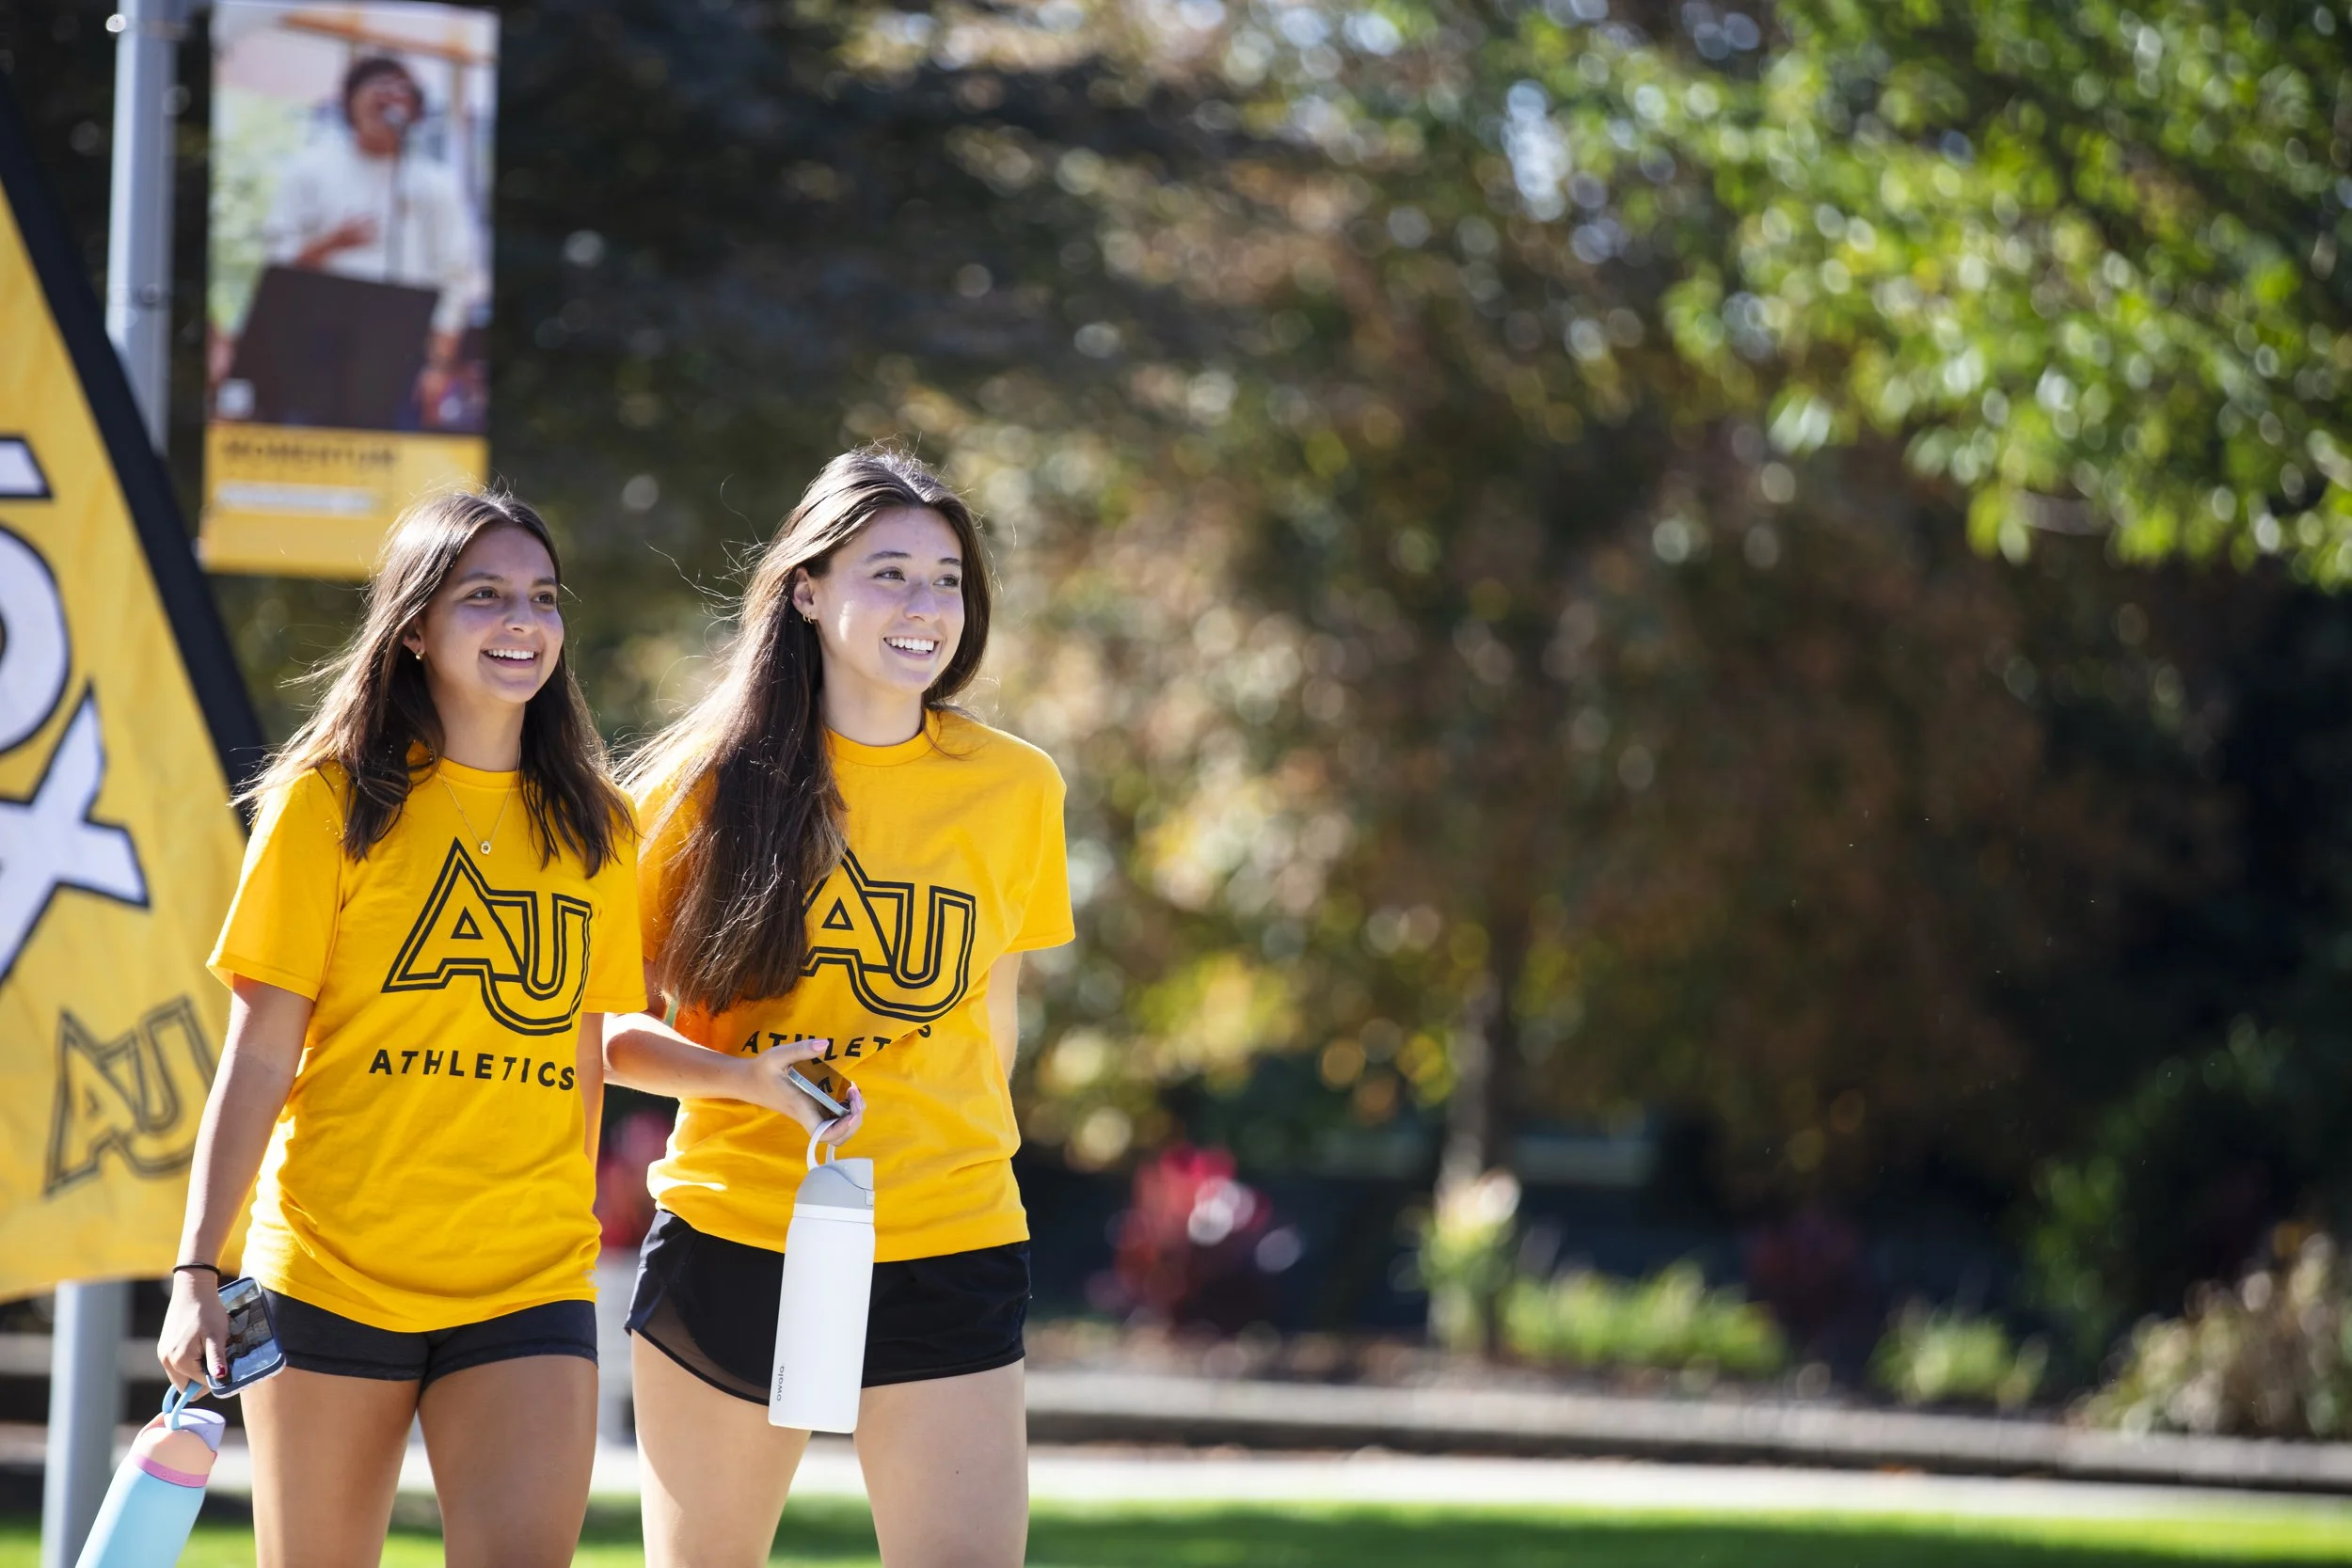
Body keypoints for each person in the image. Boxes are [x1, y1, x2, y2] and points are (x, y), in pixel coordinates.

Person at [157, 492, 644, 1568]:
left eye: (541, 598)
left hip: (528, 1274)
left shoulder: (601, 827)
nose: (522, 619)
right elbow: (258, 1054)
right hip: (333, 1270)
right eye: (485, 596)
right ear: (415, 626)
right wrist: (199, 1264)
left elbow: (584, 1059)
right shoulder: (325, 801)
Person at [605, 448, 1073, 1568]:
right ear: (807, 591)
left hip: (946, 1234)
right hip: (734, 1230)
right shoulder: (690, 790)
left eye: (948, 577)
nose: (927, 606)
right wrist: (737, 1081)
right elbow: (599, 1028)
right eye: (892, 572)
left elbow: (989, 1027)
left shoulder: (1017, 787)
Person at [255, 55, 487, 428]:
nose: (390, 97)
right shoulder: (310, 169)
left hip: (403, 353)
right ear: (350, 101)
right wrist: (330, 244)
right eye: (378, 87)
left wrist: (440, 364)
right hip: (314, 346)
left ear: (415, 109)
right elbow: (275, 260)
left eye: (401, 91)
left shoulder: (436, 186)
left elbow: (456, 275)